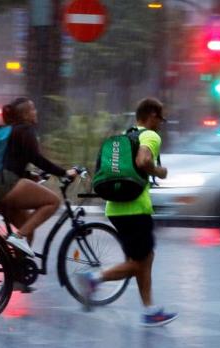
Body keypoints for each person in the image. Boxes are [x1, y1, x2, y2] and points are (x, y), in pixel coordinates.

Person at [77, 98, 179, 327]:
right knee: (140, 263)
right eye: (160, 118)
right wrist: (160, 171)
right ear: (151, 115)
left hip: (115, 206)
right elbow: (143, 161)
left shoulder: (126, 134)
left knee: (143, 258)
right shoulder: (150, 136)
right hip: (135, 207)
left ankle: (150, 310)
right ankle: (93, 278)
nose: (161, 124)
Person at [0, 97, 77, 258]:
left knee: (28, 229)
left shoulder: (11, 130)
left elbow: (11, 161)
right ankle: (17, 237)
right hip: (5, 184)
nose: (35, 112)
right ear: (25, 114)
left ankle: (17, 276)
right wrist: (64, 172)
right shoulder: (26, 130)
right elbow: (36, 158)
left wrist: (28, 175)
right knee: (53, 201)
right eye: (32, 109)